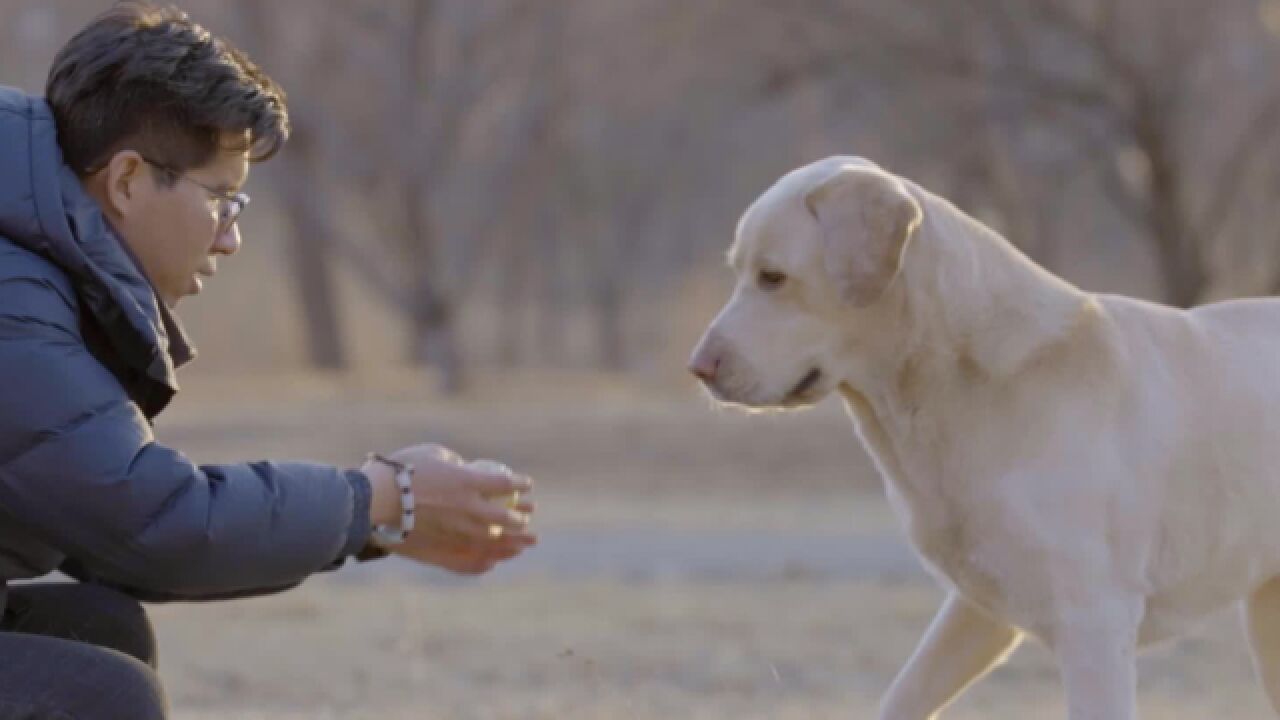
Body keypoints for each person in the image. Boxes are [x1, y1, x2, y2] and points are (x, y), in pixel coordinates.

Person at [0, 3, 538, 718]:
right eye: (221, 199)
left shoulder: (30, 267)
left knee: (102, 628)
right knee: (98, 694)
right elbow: (154, 524)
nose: (230, 239)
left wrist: (374, 520)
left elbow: (101, 531)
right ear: (127, 179)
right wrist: (378, 499)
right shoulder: (14, 297)